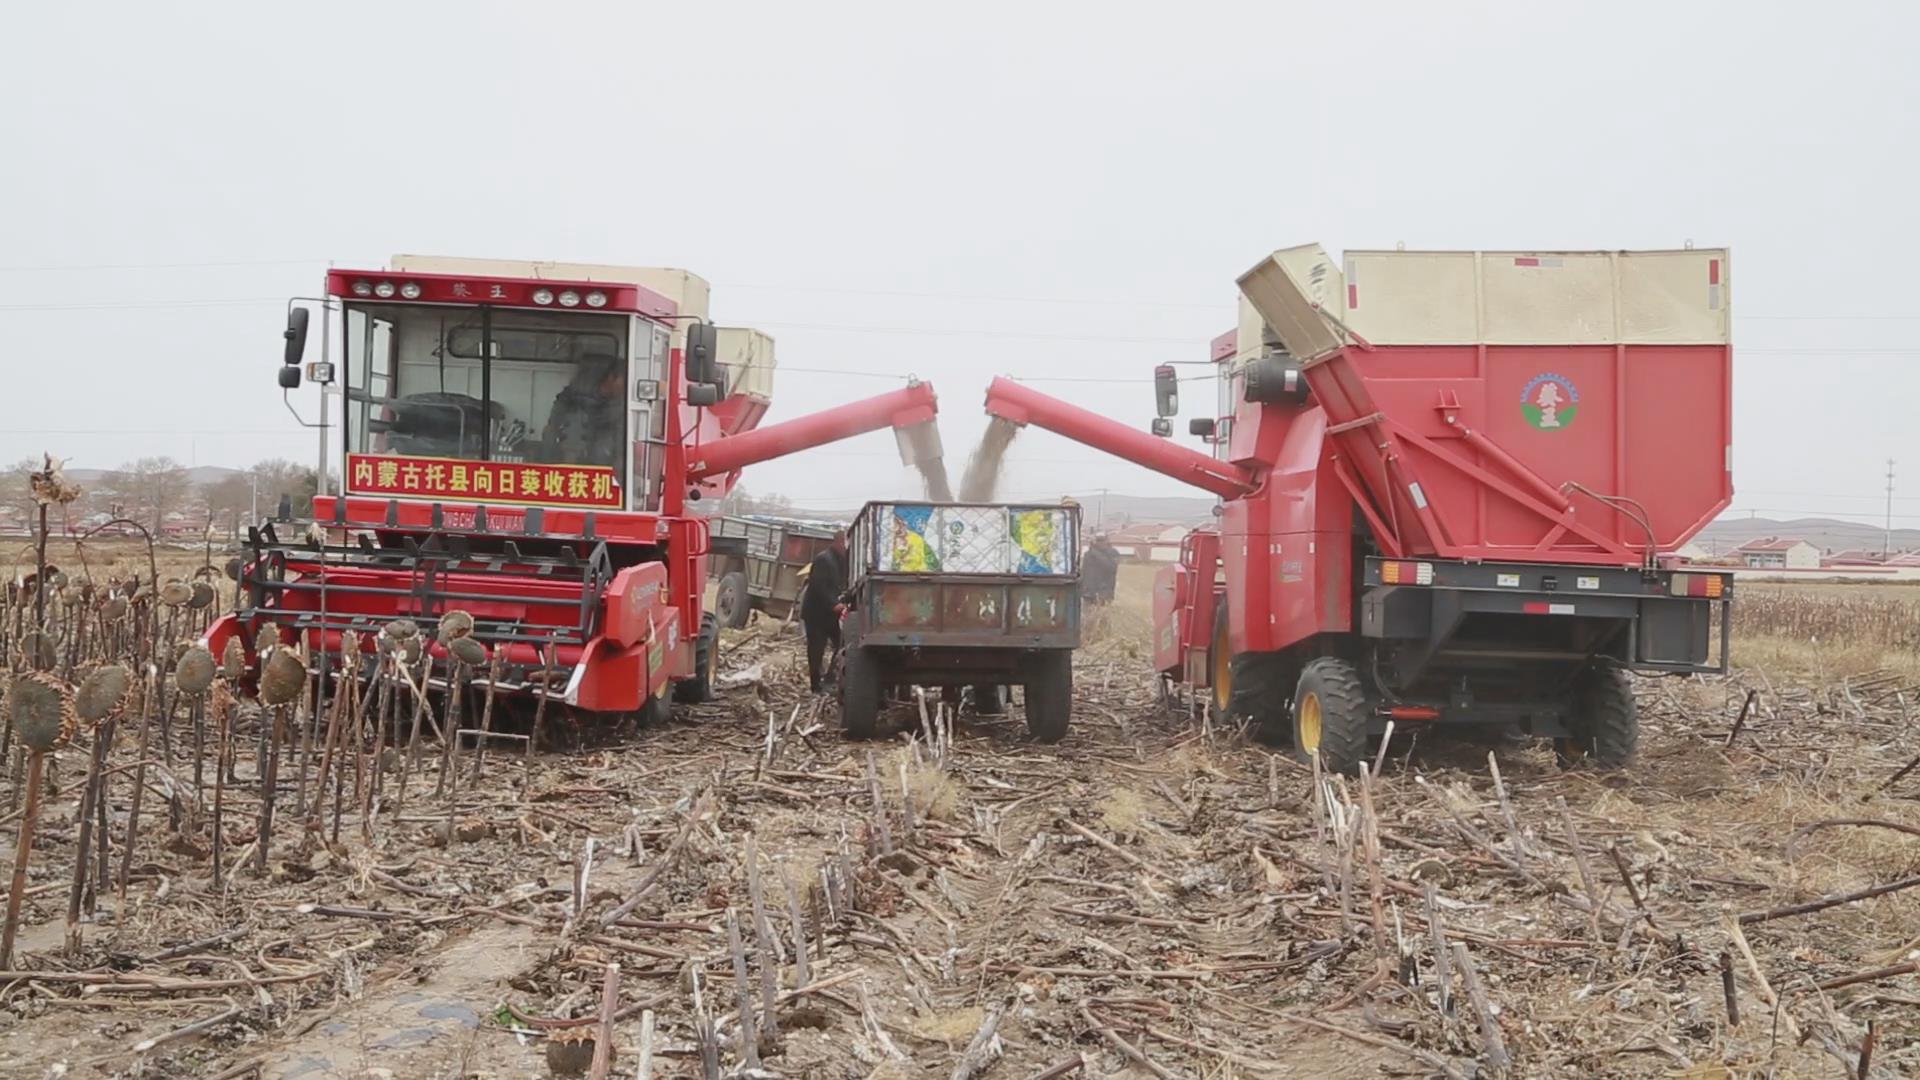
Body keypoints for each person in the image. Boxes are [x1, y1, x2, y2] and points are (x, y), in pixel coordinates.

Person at [542, 354, 625, 467]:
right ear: (611, 378)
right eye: (624, 380)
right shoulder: (577, 407)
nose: (626, 386)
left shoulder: (619, 406)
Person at [800, 531, 851, 693]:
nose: (847, 546)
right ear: (838, 542)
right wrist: (833, 604)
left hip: (832, 616)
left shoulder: (843, 560)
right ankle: (816, 685)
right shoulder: (824, 559)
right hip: (817, 614)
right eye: (846, 542)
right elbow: (818, 586)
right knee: (816, 650)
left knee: (842, 644)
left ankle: (830, 678)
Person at [1081, 533, 1119, 606]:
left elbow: (1110, 567)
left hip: (1104, 593)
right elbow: (1084, 571)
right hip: (1088, 593)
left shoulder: (1113, 553)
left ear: (1107, 541)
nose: (1100, 543)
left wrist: (1095, 552)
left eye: (1102, 540)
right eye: (1098, 540)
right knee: (1087, 615)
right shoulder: (1088, 554)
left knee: (1101, 615)